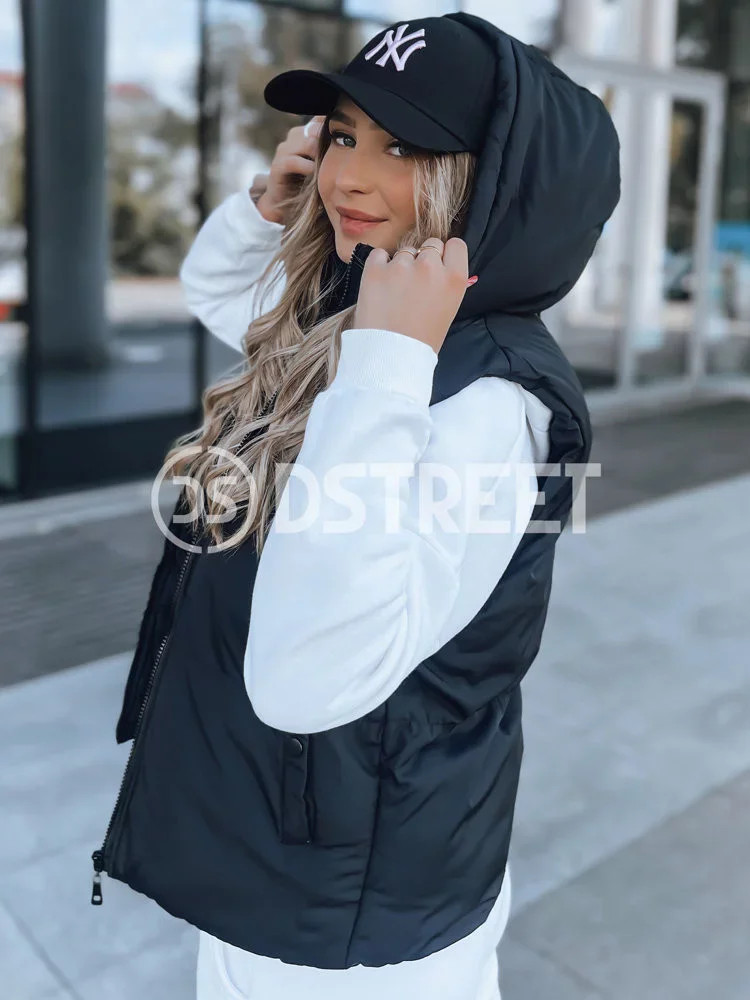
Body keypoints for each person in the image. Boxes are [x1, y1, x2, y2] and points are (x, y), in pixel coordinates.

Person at [90, 13, 620, 1000]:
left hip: (357, 920)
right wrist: (269, 207)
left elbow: (309, 679)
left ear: (495, 183)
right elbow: (220, 296)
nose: (349, 177)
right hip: (284, 857)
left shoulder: (486, 399)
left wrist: (388, 365)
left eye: (405, 147)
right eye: (342, 136)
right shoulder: (369, 307)